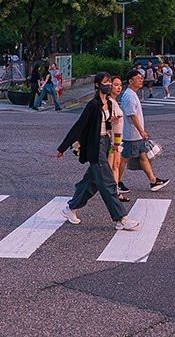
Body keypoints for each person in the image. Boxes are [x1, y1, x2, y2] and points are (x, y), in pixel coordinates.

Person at [55, 73, 139, 231]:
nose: (108, 85)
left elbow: (103, 125)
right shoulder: (93, 105)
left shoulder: (107, 102)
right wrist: (62, 147)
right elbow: (79, 126)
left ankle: (70, 208)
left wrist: (110, 124)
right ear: (97, 85)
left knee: (91, 182)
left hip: (105, 142)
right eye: (105, 82)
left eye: (109, 82)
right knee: (108, 183)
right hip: (95, 146)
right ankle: (121, 218)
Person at [116, 68, 169, 196]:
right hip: (132, 135)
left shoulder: (133, 94)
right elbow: (132, 116)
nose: (141, 80)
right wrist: (142, 131)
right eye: (138, 79)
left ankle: (153, 181)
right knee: (124, 159)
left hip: (136, 135)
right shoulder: (128, 96)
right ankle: (116, 182)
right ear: (130, 81)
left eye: (141, 78)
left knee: (143, 157)